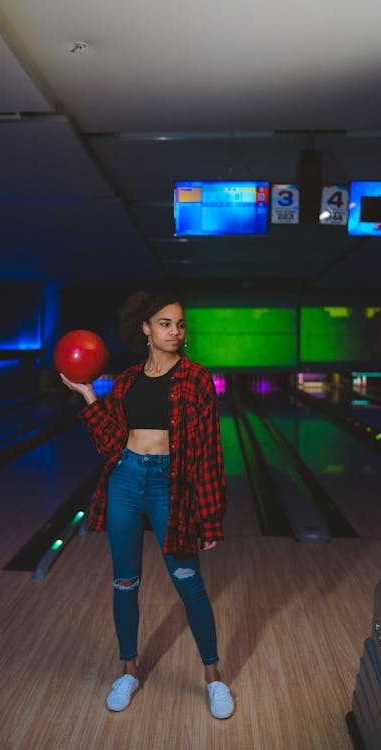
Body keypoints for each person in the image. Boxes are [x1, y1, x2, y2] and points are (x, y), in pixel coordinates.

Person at [60, 291, 233, 719]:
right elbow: (109, 442)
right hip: (125, 480)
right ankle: (129, 670)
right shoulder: (128, 379)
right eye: (165, 323)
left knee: (189, 584)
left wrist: (210, 518)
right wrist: (87, 394)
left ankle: (214, 679)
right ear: (145, 328)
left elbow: (210, 449)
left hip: (169, 487)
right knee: (124, 583)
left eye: (179, 324)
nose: (175, 331)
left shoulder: (196, 379)